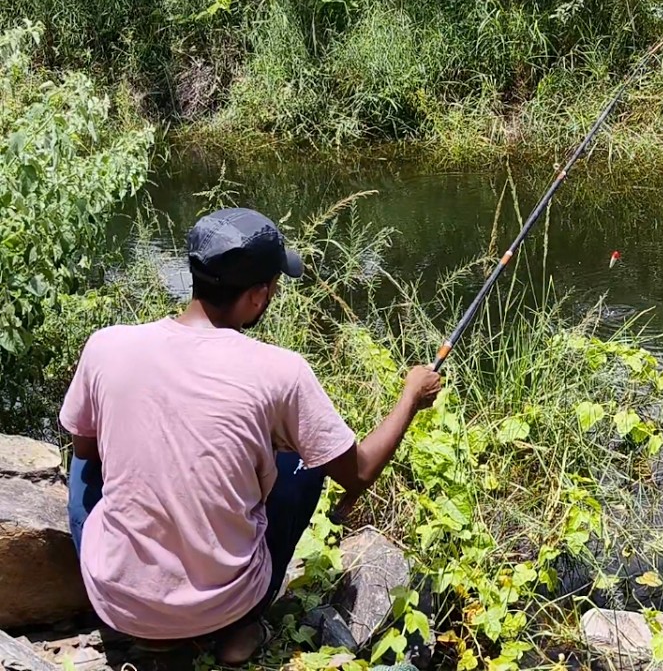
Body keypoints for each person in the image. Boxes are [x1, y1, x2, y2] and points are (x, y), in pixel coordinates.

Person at [60, 208, 442, 664]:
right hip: (223, 608)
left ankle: (142, 606)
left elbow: (87, 451)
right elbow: (358, 472)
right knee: (304, 463)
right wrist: (409, 396)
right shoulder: (282, 372)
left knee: (82, 457)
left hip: (120, 608)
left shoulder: (107, 345)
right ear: (257, 297)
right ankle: (241, 630)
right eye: (273, 288)